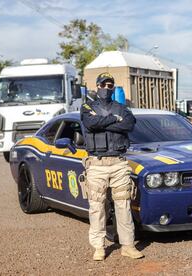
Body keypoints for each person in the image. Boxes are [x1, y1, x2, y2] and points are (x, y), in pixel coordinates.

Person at [80, 72, 144, 261]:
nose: (107, 88)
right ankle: (99, 247)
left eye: (110, 86)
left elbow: (130, 125)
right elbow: (91, 124)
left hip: (118, 162)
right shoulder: (87, 106)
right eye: (103, 85)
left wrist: (107, 122)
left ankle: (128, 245)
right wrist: (115, 119)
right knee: (97, 206)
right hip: (97, 164)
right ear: (97, 85)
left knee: (124, 205)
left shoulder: (121, 107)